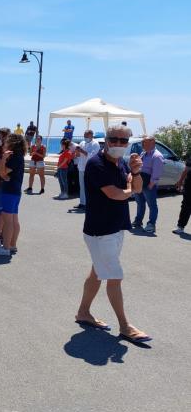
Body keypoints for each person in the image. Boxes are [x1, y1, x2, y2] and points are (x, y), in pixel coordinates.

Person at [76, 124, 151, 344]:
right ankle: (125, 326)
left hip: (116, 227)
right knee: (114, 277)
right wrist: (128, 189)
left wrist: (136, 172)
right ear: (106, 140)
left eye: (123, 141)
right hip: (100, 231)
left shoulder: (121, 163)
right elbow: (116, 194)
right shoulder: (95, 164)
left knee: (97, 272)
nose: (119, 144)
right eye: (114, 139)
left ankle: (83, 312)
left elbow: (137, 188)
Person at [0, 134, 26, 257]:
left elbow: (2, 173)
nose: (4, 142)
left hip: (9, 191)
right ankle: (12, 245)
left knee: (8, 221)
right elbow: (4, 175)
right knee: (14, 219)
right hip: (14, 191)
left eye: (7, 141)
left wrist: (4, 159)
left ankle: (5, 247)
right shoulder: (18, 156)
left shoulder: (14, 157)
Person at [132, 136, 164, 233]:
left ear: (152, 142)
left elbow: (157, 172)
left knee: (152, 205)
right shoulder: (143, 153)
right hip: (140, 183)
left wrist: (151, 184)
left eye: (144, 142)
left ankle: (151, 224)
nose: (142, 144)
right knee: (140, 203)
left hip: (148, 184)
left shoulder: (157, 156)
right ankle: (138, 221)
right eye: (142, 142)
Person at [73, 129, 100, 209]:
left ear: (91, 135)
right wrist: (77, 151)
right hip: (81, 167)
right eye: (84, 136)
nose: (85, 137)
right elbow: (78, 155)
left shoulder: (95, 144)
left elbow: (92, 156)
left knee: (89, 186)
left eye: (86, 136)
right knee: (82, 186)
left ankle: (90, 203)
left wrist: (82, 151)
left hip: (90, 168)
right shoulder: (82, 143)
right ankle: (82, 203)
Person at [173, 158, 191, 235]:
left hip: (189, 187)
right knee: (186, 207)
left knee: (186, 207)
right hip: (189, 186)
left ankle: (180, 227)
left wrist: (180, 182)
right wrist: (180, 182)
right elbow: (186, 170)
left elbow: (186, 170)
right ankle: (180, 227)